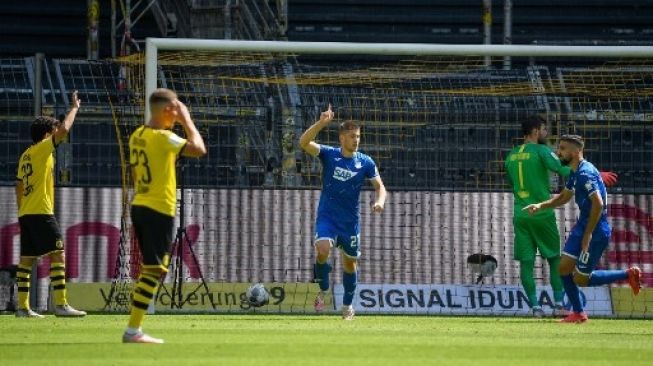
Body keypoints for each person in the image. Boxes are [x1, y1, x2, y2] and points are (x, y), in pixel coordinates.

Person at [505, 117, 618, 317]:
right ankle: (558, 304)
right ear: (534, 131)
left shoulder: (511, 155)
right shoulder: (542, 151)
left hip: (521, 213)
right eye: (543, 128)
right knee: (556, 260)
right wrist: (596, 174)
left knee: (526, 263)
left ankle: (535, 308)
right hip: (541, 214)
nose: (546, 132)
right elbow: (563, 168)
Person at [524, 135, 641, 323]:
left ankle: (628, 274)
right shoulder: (575, 172)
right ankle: (579, 313)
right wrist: (541, 205)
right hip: (582, 226)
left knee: (581, 279)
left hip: (595, 230)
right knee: (563, 268)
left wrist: (587, 234)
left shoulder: (586, 173)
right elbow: (564, 197)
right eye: (559, 148)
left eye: (562, 148)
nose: (558, 152)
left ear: (575, 151)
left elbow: (598, 204)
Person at [122, 88, 206, 343]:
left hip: (140, 203)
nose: (177, 114)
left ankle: (133, 329)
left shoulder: (137, 135)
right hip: (158, 208)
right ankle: (133, 330)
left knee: (152, 267)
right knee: (154, 268)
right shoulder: (164, 138)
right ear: (169, 110)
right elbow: (199, 148)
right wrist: (187, 120)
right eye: (176, 109)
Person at [299, 104, 387, 320]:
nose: (356, 140)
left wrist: (380, 201)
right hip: (327, 217)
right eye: (351, 136)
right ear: (341, 138)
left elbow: (380, 187)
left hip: (350, 222)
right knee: (322, 249)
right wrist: (321, 123)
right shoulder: (329, 155)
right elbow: (303, 143)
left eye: (358, 136)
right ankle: (323, 289)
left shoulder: (365, 162)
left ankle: (347, 306)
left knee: (350, 263)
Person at [15, 91, 86, 318]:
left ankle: (23, 307)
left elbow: (18, 185)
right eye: (53, 131)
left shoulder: (26, 154)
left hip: (27, 212)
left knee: (26, 260)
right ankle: (61, 304)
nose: (58, 133)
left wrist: (21, 213)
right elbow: (65, 130)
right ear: (47, 135)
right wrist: (74, 107)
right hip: (41, 212)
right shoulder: (43, 148)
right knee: (58, 253)